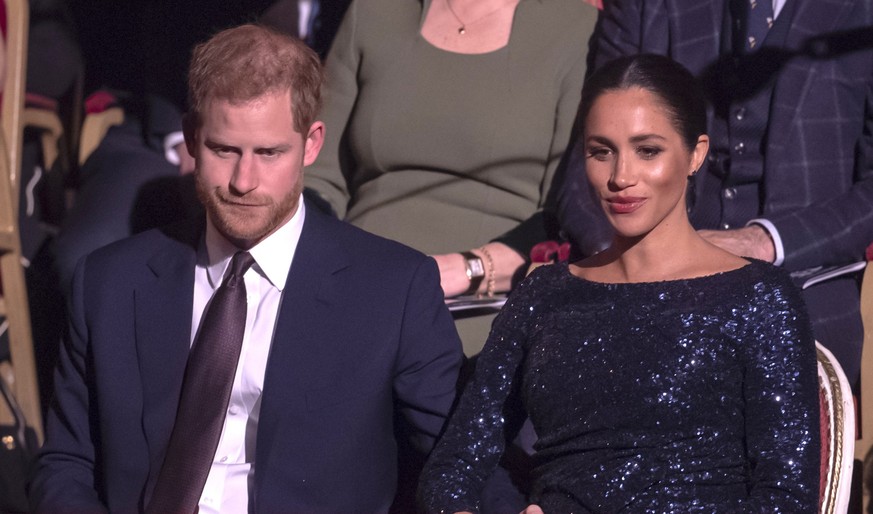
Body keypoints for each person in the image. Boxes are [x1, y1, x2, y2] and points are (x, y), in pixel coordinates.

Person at [30, 24, 463, 513]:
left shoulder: (393, 290)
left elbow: (458, 462)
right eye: (224, 150)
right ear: (193, 139)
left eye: (269, 153)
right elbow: (65, 464)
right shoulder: (109, 283)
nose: (244, 181)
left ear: (312, 144)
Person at [418, 54, 820, 512]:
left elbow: (786, 497)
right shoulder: (546, 294)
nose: (620, 177)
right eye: (601, 151)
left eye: (647, 150)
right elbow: (454, 466)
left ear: (696, 154)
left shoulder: (758, 297)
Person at [558, 0, 873, 386]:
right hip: (640, 289)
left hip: (800, 290)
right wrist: (633, 266)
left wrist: (762, 241)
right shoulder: (645, 6)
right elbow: (584, 171)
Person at [303, 0, 597, 354]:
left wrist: (460, 271)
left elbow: (565, 212)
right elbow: (318, 176)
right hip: (355, 283)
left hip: (487, 303)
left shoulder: (578, 29)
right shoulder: (373, 11)